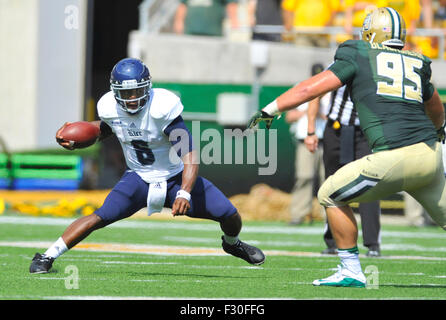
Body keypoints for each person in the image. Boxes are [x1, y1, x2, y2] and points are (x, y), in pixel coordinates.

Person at [248, 7, 445, 288]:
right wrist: (438, 132)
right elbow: (436, 108)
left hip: (395, 154)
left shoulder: (358, 52)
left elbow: (310, 90)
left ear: (370, 32)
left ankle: (350, 270)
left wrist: (271, 108)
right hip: (430, 155)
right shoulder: (417, 60)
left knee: (330, 193)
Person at [29, 58, 265, 274]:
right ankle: (47, 256)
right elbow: (105, 129)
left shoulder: (162, 108)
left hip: (175, 178)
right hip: (138, 179)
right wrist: (78, 138)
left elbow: (189, 155)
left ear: (148, 87)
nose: (132, 98)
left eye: (137, 91)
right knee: (98, 217)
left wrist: (184, 191)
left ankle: (233, 245)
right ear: (115, 92)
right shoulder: (110, 108)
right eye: (126, 93)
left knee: (230, 214)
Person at [305, 84, 382, 257]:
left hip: (366, 131)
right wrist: (310, 130)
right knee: (331, 186)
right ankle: (333, 241)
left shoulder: (375, 66)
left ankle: (373, 243)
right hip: (336, 130)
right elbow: (314, 92)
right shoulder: (340, 65)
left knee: (369, 186)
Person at [286, 63, 328, 225]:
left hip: (326, 139)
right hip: (305, 139)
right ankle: (299, 213)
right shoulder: (300, 87)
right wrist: (308, 112)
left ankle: (330, 215)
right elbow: (289, 116)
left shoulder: (332, 89)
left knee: (328, 179)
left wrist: (320, 113)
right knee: (304, 177)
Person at [173, 0, 239, 37]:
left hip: (212, 32)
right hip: (190, 30)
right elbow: (182, 5)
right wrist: (179, 21)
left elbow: (231, 4)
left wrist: (234, 21)